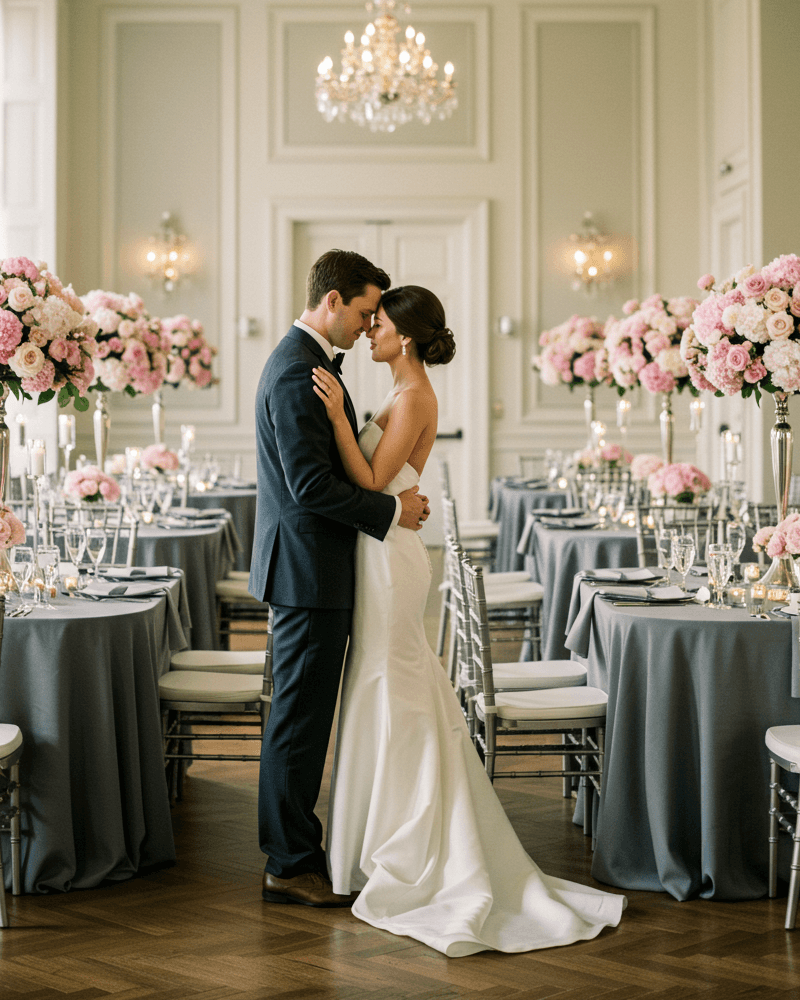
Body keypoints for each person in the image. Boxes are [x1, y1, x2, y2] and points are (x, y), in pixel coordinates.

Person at [312, 285, 626, 956]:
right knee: (381, 680)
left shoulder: (415, 396)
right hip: (379, 550)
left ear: (409, 336)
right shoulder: (401, 392)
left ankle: (406, 842)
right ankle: (370, 841)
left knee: (392, 680)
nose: (371, 331)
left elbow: (371, 483)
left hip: (391, 558)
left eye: (382, 325)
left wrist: (339, 417)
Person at [250, 249, 430, 909]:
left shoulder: (308, 365)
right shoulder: (300, 371)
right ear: (332, 301)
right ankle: (289, 862)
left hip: (313, 568)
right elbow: (310, 487)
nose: (365, 323)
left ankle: (295, 851)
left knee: (302, 717)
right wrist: (392, 510)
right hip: (305, 571)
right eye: (361, 311)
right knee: (298, 722)